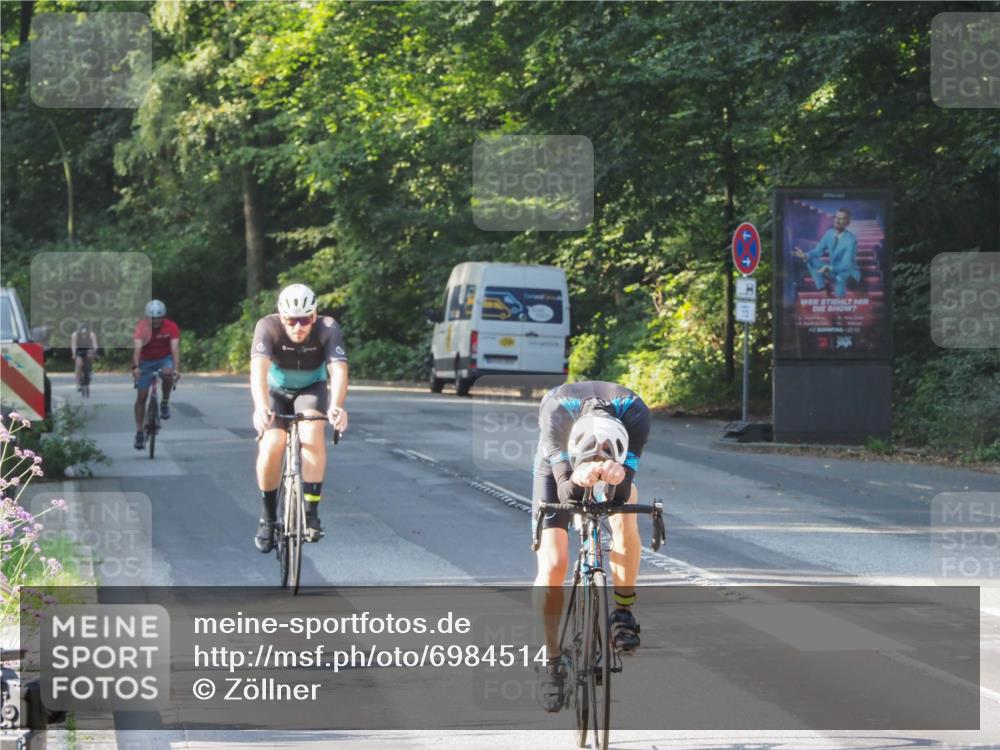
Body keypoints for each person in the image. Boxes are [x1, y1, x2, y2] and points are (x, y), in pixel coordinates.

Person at [531, 381, 650, 712]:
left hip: (618, 457)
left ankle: (623, 613)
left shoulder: (636, 414)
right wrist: (580, 477)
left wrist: (615, 477)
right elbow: (565, 492)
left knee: (628, 510)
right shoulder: (555, 410)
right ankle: (552, 661)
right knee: (553, 564)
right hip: (559, 468)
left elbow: (623, 493)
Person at [250, 284, 349, 550]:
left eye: (304, 319)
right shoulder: (267, 326)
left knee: (312, 434)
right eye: (291, 320)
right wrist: (260, 408)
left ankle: (310, 513)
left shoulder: (328, 328)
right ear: (281, 317)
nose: (298, 326)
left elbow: (338, 370)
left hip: (310, 388)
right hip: (276, 390)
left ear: (314, 316)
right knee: (272, 444)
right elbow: (258, 372)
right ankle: (268, 518)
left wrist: (337, 406)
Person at [132, 300, 181, 449]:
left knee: (167, 374)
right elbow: (137, 350)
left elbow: (175, 350)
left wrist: (176, 369)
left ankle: (164, 401)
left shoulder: (171, 327)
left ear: (163, 317)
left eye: (159, 318)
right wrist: (135, 367)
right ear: (148, 318)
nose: (156, 321)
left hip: (164, 359)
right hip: (145, 361)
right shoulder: (141, 327)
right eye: (153, 318)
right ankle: (139, 432)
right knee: (142, 396)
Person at [793, 208, 860, 298]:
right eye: (836, 217)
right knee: (810, 260)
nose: (837, 220)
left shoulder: (851, 239)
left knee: (840, 278)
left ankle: (839, 306)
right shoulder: (829, 233)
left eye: (841, 218)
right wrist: (806, 255)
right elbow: (817, 251)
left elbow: (846, 265)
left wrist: (830, 268)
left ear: (847, 223)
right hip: (832, 271)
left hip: (849, 273)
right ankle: (823, 290)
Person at [70, 322, 98, 391]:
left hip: (88, 349)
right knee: (78, 364)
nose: (84, 335)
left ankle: (89, 370)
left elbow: (95, 346)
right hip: (79, 350)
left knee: (90, 357)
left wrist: (93, 351)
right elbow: (74, 346)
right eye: (82, 333)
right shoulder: (75, 335)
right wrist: (74, 354)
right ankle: (78, 384)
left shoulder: (92, 334)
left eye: (85, 333)